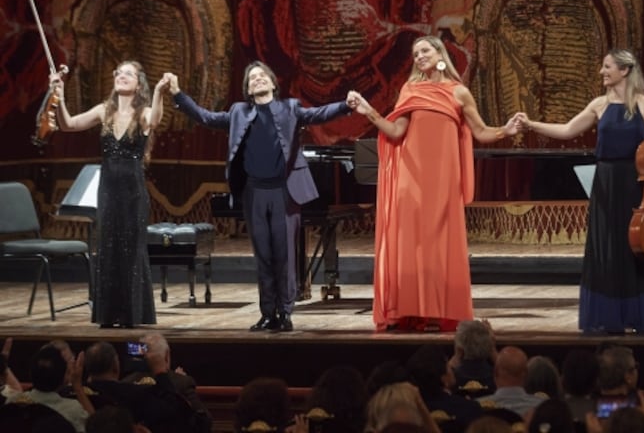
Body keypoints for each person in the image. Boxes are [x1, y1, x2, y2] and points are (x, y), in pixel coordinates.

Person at [346, 35, 519, 332]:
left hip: (442, 183)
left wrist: (506, 130)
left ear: (439, 53)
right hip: (410, 182)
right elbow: (396, 131)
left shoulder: (459, 92)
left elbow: (481, 132)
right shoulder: (410, 90)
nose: (419, 56)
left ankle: (442, 309)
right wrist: (369, 112)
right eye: (415, 53)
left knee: (440, 245)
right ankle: (411, 310)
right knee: (411, 245)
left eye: (424, 50)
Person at [169, 61, 351, 332]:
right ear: (247, 88)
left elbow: (318, 114)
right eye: (252, 78)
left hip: (283, 192)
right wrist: (177, 95)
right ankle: (268, 313)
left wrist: (345, 105)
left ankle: (286, 312)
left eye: (262, 76)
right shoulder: (238, 112)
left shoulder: (290, 108)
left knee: (285, 255)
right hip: (254, 193)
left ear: (272, 82)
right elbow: (206, 117)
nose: (257, 80)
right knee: (263, 256)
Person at [515, 49, 644, 334]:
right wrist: (530, 124)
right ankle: (610, 315)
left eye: (607, 67)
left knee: (636, 248)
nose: (602, 72)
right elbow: (567, 130)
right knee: (608, 249)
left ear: (624, 71)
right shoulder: (599, 105)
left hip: (637, 184)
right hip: (605, 184)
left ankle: (640, 314)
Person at [52, 61, 170, 328]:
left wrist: (160, 92)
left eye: (128, 73)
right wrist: (58, 96)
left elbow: (155, 120)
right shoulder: (103, 111)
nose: (121, 76)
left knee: (131, 249)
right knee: (108, 247)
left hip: (133, 192)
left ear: (139, 83)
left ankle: (131, 314)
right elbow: (69, 124)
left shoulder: (143, 112)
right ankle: (108, 314)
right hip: (108, 190)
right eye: (118, 72)